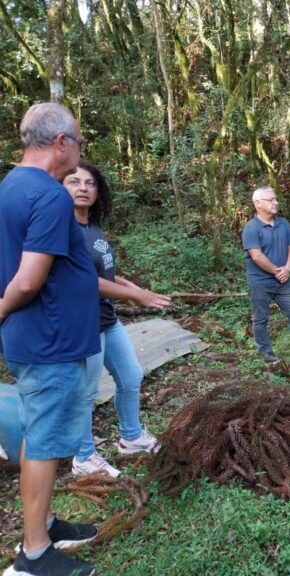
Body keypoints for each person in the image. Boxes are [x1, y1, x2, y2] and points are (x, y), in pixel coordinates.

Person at [0, 103, 100, 576]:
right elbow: (27, 279)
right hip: (50, 339)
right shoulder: (50, 195)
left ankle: (44, 523)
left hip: (39, 338)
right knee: (43, 442)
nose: (80, 150)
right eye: (79, 141)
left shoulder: (10, 185)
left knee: (40, 436)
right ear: (60, 142)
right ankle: (34, 554)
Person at [63, 160, 171, 478]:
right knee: (86, 392)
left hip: (108, 320)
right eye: (74, 182)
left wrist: (132, 287)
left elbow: (105, 272)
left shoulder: (90, 228)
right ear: (61, 188)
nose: (83, 187)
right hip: (83, 325)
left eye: (89, 183)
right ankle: (84, 457)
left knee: (130, 376)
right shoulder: (62, 231)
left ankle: (132, 436)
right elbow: (82, 281)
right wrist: (137, 297)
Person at [242, 186, 290, 364]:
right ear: (258, 204)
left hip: (283, 281)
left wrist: (287, 268)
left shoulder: (283, 223)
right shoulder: (251, 228)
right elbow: (256, 256)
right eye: (271, 200)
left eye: (275, 199)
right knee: (260, 318)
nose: (276, 202)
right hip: (260, 283)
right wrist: (277, 271)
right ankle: (266, 352)